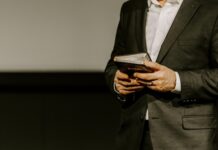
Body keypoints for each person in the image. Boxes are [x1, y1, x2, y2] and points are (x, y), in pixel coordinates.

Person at [105, 0, 218, 149]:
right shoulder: (130, 8)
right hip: (134, 135)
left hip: (188, 139)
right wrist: (116, 81)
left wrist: (177, 81)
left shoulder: (212, 9)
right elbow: (114, 63)